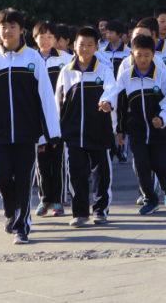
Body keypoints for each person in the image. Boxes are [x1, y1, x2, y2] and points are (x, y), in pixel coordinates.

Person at [0, 8, 61, 244]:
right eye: (3, 26)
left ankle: (22, 226)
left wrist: (50, 134)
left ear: (21, 30)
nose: (7, 31)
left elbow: (45, 97)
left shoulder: (33, 58)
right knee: (0, 175)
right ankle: (11, 211)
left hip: (27, 133)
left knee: (23, 179)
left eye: (12, 26)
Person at [57, 26, 117, 227]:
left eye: (89, 45)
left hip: (98, 129)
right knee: (76, 172)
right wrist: (56, 129)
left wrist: (107, 101)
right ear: (74, 46)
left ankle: (101, 210)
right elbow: (58, 101)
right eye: (81, 44)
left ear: (96, 47)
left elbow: (111, 89)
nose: (85, 49)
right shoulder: (66, 71)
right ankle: (80, 212)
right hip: (72, 132)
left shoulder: (103, 69)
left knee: (101, 172)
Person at [114, 34, 166, 214]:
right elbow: (120, 106)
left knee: (158, 164)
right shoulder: (126, 76)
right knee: (141, 165)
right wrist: (119, 129)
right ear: (131, 54)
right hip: (136, 131)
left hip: (160, 132)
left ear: (154, 54)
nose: (143, 59)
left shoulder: (162, 75)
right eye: (139, 55)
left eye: (147, 55)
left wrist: (162, 119)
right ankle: (150, 199)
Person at [32, 21, 73, 218]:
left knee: (59, 160)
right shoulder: (30, 60)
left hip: (59, 118)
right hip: (37, 119)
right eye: (42, 36)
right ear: (35, 38)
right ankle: (44, 198)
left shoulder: (66, 59)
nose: (45, 40)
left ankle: (59, 199)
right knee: (41, 161)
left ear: (56, 40)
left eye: (50, 37)